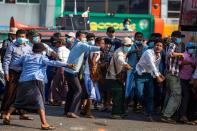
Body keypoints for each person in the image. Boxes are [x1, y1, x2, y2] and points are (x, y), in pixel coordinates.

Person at [2, 43, 75, 130]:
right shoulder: (42, 58)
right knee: (40, 102)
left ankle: (7, 115)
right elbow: (53, 63)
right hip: (35, 80)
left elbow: (14, 64)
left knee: (19, 100)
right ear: (42, 51)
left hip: (23, 80)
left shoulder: (25, 57)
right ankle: (44, 123)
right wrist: (67, 65)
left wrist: (24, 67)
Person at [64, 36, 103, 118]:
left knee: (72, 91)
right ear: (79, 38)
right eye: (84, 37)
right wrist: (101, 48)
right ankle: (72, 111)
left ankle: (67, 111)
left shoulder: (75, 44)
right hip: (72, 71)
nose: (86, 39)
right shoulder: (81, 44)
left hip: (70, 71)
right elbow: (90, 48)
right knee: (79, 91)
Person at [1, 29, 32, 120]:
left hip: (24, 72)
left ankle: (22, 113)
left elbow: (30, 60)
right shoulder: (11, 46)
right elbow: (6, 61)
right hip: (13, 72)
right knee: (10, 92)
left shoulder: (29, 47)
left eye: (23, 37)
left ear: (25, 37)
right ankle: (4, 111)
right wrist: (6, 73)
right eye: (19, 37)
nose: (21, 39)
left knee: (23, 93)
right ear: (16, 37)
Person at [135, 39, 165, 121]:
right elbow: (151, 64)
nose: (158, 47)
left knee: (150, 95)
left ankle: (149, 113)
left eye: (160, 46)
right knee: (139, 94)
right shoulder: (148, 52)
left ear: (162, 48)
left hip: (149, 76)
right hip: (140, 75)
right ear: (154, 46)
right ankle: (145, 106)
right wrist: (158, 77)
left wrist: (159, 74)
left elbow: (156, 67)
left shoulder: (159, 55)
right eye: (157, 45)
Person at [161, 31, 185, 123]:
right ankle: (167, 115)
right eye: (179, 37)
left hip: (171, 73)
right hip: (172, 73)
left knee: (169, 94)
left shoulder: (172, 44)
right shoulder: (172, 44)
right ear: (174, 37)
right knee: (176, 94)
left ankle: (164, 113)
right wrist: (181, 54)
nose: (180, 39)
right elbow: (169, 54)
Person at [106, 37, 132, 119]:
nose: (129, 46)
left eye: (130, 45)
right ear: (122, 45)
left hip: (118, 77)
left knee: (121, 94)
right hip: (113, 77)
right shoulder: (119, 52)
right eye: (127, 45)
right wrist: (125, 64)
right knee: (118, 95)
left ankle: (121, 112)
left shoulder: (124, 51)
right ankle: (115, 113)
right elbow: (120, 59)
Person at [81, 37, 105, 118]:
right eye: (102, 43)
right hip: (90, 75)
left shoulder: (92, 49)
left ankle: (85, 110)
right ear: (98, 43)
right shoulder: (97, 50)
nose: (104, 45)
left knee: (92, 94)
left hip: (88, 73)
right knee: (92, 94)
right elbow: (93, 61)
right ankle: (88, 113)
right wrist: (94, 75)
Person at [178, 42, 196, 123]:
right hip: (182, 79)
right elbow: (179, 63)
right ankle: (182, 115)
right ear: (187, 48)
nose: (192, 49)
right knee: (185, 96)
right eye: (191, 47)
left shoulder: (193, 56)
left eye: (193, 47)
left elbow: (194, 66)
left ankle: (187, 115)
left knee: (190, 98)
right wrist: (189, 63)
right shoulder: (184, 55)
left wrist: (193, 65)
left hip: (190, 80)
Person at [49, 39, 70, 106]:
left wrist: (55, 57)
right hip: (67, 68)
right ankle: (64, 100)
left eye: (57, 43)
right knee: (65, 84)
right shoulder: (68, 50)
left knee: (55, 85)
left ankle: (57, 99)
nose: (56, 44)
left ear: (60, 43)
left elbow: (60, 59)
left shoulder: (60, 49)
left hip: (61, 67)